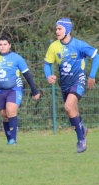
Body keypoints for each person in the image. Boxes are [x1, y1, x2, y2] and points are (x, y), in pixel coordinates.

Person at [43, 18, 99, 153]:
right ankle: (82, 129)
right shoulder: (54, 46)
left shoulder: (79, 45)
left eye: (59, 29)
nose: (57, 31)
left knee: (68, 106)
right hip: (64, 84)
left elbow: (96, 56)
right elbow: (47, 64)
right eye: (56, 29)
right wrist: (48, 76)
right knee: (72, 109)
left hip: (78, 81)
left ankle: (81, 139)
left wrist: (91, 75)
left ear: (67, 30)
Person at [0, 35, 40, 145]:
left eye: (5, 44)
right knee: (4, 115)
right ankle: (9, 138)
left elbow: (27, 75)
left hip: (15, 89)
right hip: (0, 91)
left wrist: (34, 90)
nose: (3, 47)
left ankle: (13, 140)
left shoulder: (17, 58)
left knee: (10, 110)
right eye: (0, 45)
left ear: (9, 45)